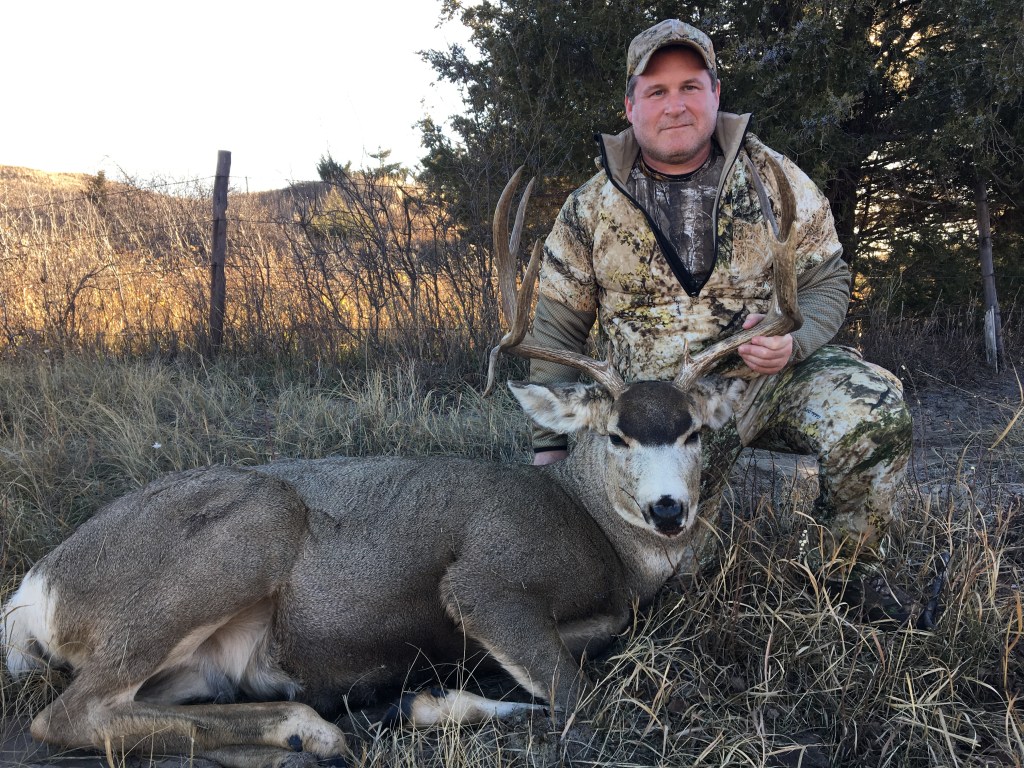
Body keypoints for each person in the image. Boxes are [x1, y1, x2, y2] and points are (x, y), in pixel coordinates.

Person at [527, 19, 917, 626]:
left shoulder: (776, 181)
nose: (675, 105)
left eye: (690, 86)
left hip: (760, 379)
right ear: (631, 105)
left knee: (873, 411)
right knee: (671, 593)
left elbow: (827, 280)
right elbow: (555, 328)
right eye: (656, 92)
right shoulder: (589, 206)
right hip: (650, 414)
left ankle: (855, 579)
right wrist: (550, 452)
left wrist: (796, 339)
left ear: (715, 94)